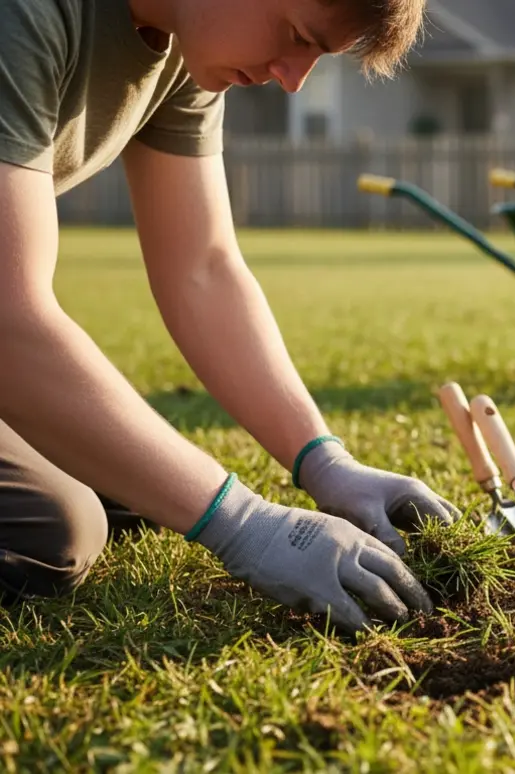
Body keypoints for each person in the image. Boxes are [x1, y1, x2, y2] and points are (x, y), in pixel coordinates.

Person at [0, 0, 457, 634]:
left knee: (143, 485)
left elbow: (203, 269)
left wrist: (325, 462)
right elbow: (10, 320)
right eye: (296, 36)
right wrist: (243, 522)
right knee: (55, 528)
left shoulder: (185, 43)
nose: (295, 78)